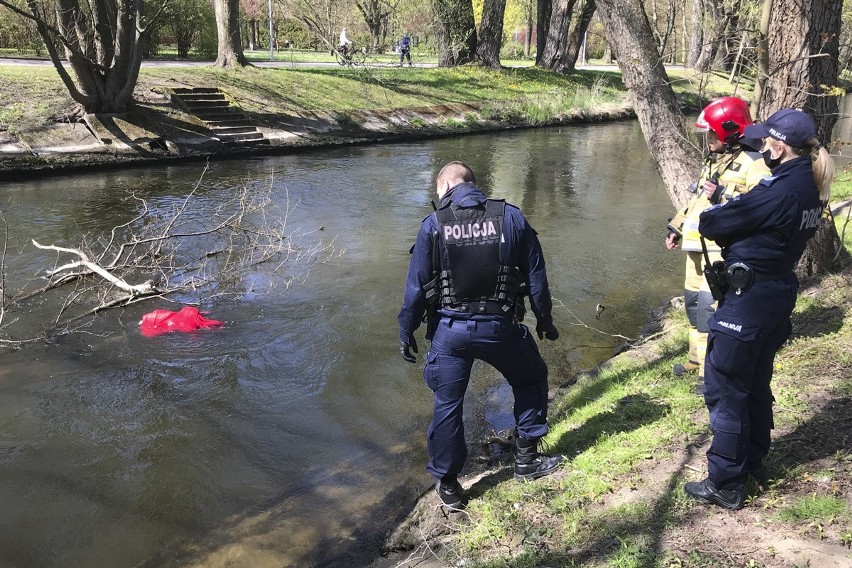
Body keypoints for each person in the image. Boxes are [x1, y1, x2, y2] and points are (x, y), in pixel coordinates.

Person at [683, 108, 834, 510]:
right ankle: (752, 462)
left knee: (727, 389)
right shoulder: (810, 183)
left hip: (748, 301)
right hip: (775, 293)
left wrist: (719, 208)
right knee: (754, 383)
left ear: (779, 146)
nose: (761, 145)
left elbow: (714, 223)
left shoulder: (779, 191)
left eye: (766, 140)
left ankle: (726, 483)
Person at [397, 161, 563, 509]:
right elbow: (536, 278)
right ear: (474, 184)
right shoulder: (512, 218)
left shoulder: (432, 225)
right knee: (531, 378)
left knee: (447, 405)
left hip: (450, 332)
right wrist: (544, 320)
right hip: (501, 327)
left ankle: (448, 486)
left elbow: (415, 288)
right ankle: (527, 459)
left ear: (443, 188)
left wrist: (406, 330)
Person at [665, 97, 770, 394]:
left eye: (711, 134)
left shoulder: (755, 163)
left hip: (718, 252)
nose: (708, 141)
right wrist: (677, 226)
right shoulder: (715, 160)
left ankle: (710, 373)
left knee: (710, 312)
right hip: (695, 249)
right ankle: (695, 361)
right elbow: (695, 201)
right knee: (692, 305)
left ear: (728, 131)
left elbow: (760, 208)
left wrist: (724, 195)